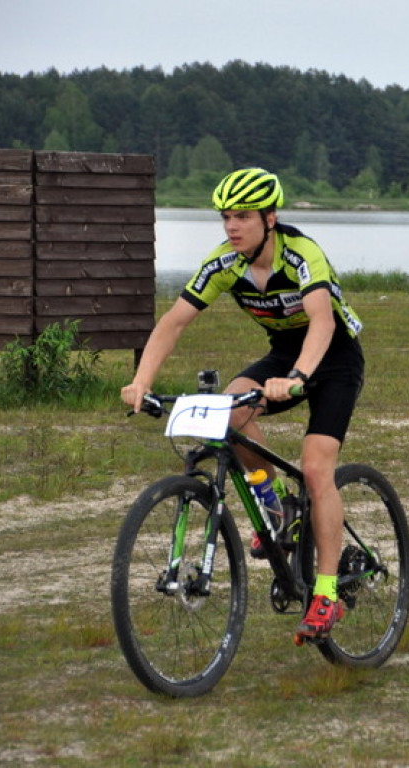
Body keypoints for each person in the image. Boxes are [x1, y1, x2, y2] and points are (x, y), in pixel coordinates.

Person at [121, 167, 365, 643]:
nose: (231, 226)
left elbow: (322, 321)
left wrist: (298, 378)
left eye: (242, 217)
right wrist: (141, 382)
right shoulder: (224, 263)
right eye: (226, 217)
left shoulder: (302, 254)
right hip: (284, 354)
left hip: (334, 358)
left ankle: (327, 593)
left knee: (317, 468)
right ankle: (274, 504)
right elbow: (174, 321)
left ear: (270, 219)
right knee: (228, 411)